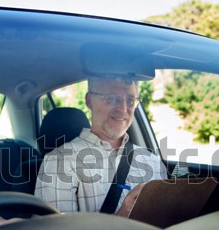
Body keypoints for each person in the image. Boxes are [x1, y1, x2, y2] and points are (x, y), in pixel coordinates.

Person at [34, 76, 168, 215]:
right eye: (111, 98)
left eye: (130, 100)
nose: (123, 109)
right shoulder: (59, 162)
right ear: (89, 100)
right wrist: (120, 220)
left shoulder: (153, 162)